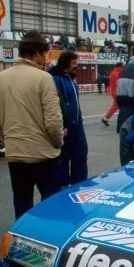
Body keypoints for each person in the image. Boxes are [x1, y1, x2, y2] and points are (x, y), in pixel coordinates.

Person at [0, 30, 64, 219]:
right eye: (44, 54)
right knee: (51, 204)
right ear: (38, 53)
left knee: (22, 203)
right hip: (44, 155)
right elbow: (54, 122)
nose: (44, 59)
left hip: (15, 155)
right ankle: (48, 242)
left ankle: (22, 242)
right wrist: (58, 142)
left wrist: (11, 139)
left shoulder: (0, 78)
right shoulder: (43, 78)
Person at [48, 51, 88, 188]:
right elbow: (55, 104)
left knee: (81, 154)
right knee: (63, 158)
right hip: (65, 126)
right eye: (74, 63)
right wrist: (62, 125)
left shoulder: (70, 79)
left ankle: (79, 184)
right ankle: (62, 185)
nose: (76, 66)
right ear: (66, 63)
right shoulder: (55, 79)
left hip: (78, 125)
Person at [101, 62, 123, 126]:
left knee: (116, 106)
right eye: (122, 67)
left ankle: (105, 118)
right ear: (119, 67)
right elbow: (120, 83)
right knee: (122, 107)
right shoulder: (118, 73)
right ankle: (123, 120)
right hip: (118, 93)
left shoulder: (113, 73)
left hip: (114, 92)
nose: (123, 68)